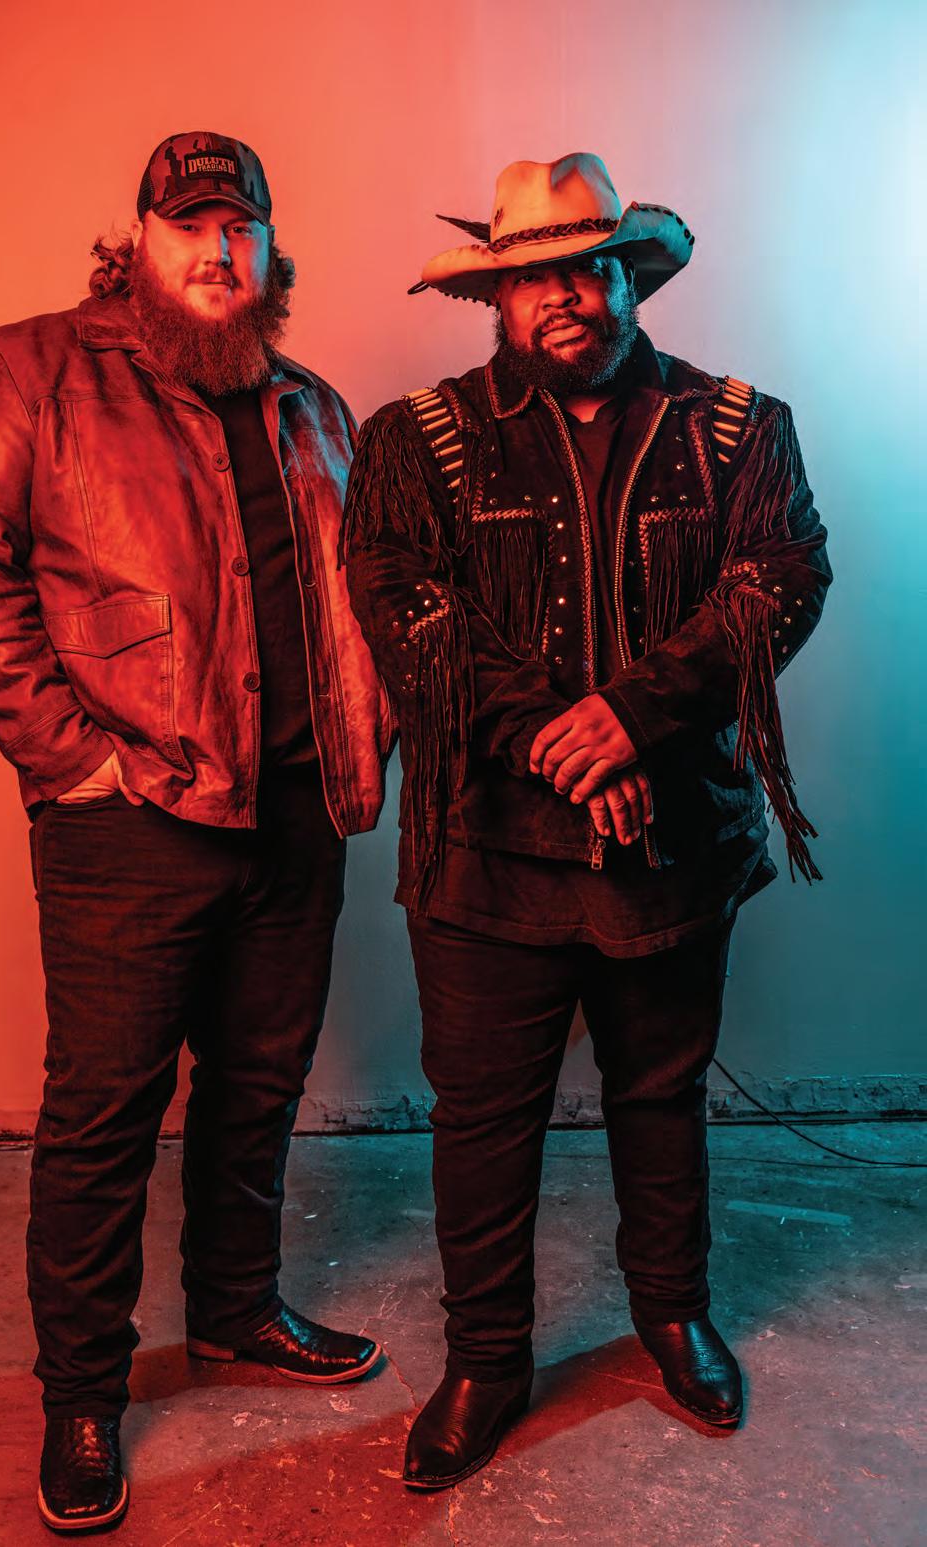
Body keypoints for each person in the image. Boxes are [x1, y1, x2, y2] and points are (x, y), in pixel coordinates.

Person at [0, 130, 392, 1533]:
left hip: (296, 811)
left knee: (257, 1087)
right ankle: (81, 1392)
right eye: (189, 226)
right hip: (132, 817)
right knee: (105, 1114)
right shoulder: (34, 371)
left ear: (269, 250)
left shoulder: (312, 407)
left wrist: (367, 745)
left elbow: (357, 595)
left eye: (240, 228)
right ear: (138, 241)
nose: (216, 251)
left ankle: (238, 1312)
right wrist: (70, 755)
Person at [341, 153, 831, 1489]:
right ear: (496, 299)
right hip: (485, 852)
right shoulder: (413, 440)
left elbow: (781, 580)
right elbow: (404, 607)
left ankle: (673, 1316)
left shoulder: (739, 427)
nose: (565, 293)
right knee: (481, 1120)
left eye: (589, 266)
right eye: (534, 276)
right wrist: (567, 745)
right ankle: (487, 1361)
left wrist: (635, 716)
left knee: (661, 1097)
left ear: (630, 277)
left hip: (673, 845)